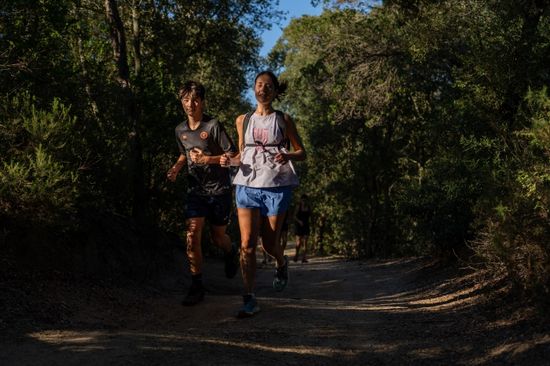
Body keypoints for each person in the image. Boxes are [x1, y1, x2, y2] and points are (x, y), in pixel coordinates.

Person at [222, 70, 306, 318]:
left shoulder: (284, 119)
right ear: (254, 88)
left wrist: (288, 154)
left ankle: (281, 263)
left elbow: (302, 152)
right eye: (259, 84)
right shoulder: (243, 120)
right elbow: (242, 154)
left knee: (269, 244)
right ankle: (249, 298)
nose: (263, 89)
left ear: (276, 92)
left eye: (269, 86)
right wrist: (230, 161)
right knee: (247, 245)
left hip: (277, 185)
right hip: (247, 185)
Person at [167, 80, 239, 306]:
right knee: (192, 234)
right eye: (186, 100)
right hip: (195, 190)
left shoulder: (213, 126)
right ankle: (196, 286)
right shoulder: (180, 130)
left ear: (203, 101)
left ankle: (230, 250)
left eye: (195, 99)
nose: (190, 104)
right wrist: (177, 168)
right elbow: (184, 154)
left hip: (219, 191)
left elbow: (234, 155)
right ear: (181, 102)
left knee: (218, 238)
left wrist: (208, 159)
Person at [294, 194, 312, 263]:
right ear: (301, 200)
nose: (304, 201)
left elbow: (311, 215)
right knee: (298, 243)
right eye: (303, 200)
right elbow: (294, 216)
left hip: (306, 225)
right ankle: (296, 254)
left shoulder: (309, 207)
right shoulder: (298, 207)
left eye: (305, 200)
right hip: (299, 225)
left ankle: (304, 258)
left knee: (305, 242)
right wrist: (299, 221)